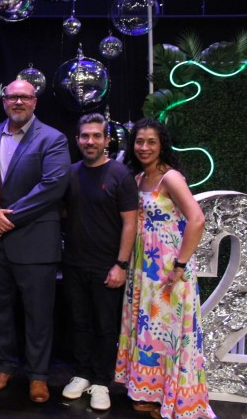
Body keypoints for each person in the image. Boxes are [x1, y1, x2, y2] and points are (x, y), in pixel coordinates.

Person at [115, 118, 215, 419]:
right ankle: (149, 391)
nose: (144, 147)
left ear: (162, 145)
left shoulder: (170, 177)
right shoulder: (137, 178)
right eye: (139, 141)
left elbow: (197, 219)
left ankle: (172, 397)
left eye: (151, 142)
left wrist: (180, 265)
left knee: (168, 330)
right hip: (143, 267)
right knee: (149, 329)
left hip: (168, 268)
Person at [0, 79, 71, 403]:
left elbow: (53, 186)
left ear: (35, 102)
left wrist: (7, 217)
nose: (18, 102)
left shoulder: (53, 138)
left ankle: (38, 375)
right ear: (4, 101)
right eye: (12, 97)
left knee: (38, 314)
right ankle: (4, 365)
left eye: (25, 97)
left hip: (35, 240)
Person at [60, 113, 138, 411]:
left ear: (107, 140)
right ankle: (82, 374)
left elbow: (130, 223)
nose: (90, 141)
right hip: (74, 263)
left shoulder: (120, 174)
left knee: (106, 326)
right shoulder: (70, 173)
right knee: (79, 323)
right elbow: (63, 212)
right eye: (85, 136)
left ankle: (102, 382)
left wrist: (121, 265)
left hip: (108, 266)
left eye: (96, 136)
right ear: (77, 140)